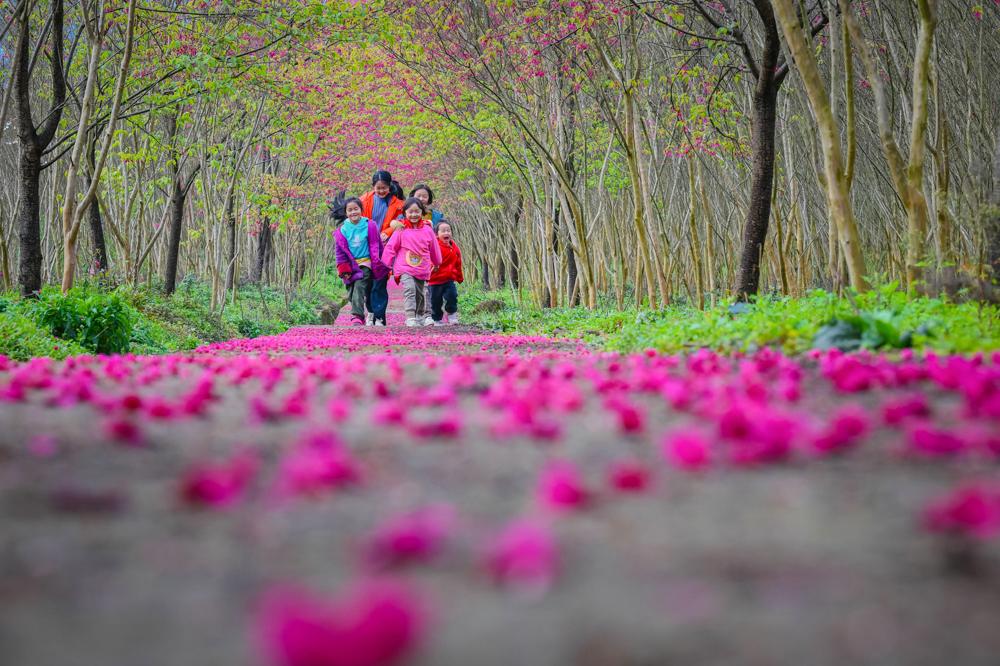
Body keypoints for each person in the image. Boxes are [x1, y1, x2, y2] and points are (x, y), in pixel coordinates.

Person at [381, 197, 442, 327]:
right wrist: (385, 264)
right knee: (410, 289)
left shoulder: (427, 230)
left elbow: (434, 248)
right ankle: (410, 316)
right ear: (405, 213)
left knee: (421, 293)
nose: (414, 214)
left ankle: (420, 315)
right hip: (404, 268)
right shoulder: (401, 230)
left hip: (422, 267)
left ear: (422, 212)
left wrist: (437, 262)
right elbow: (391, 247)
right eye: (410, 212)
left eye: (417, 211)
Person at [334, 198, 389, 326]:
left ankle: (357, 316)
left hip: (366, 263)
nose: (353, 212)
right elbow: (339, 251)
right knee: (352, 291)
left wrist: (381, 262)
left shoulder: (369, 225)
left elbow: (377, 245)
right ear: (346, 212)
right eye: (350, 210)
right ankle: (364, 315)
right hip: (351, 265)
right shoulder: (342, 230)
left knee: (359, 285)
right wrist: (343, 269)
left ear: (361, 210)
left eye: (356, 209)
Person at [428, 223, 463, 326]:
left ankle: (452, 314)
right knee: (436, 301)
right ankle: (437, 319)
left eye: (448, 230)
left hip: (448, 279)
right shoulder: (434, 246)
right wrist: (431, 268)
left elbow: (458, 262)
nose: (446, 232)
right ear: (437, 234)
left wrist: (459, 276)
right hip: (434, 280)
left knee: (452, 296)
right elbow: (428, 259)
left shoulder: (453, 246)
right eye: (443, 231)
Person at [360, 170, 405, 243]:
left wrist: (388, 232)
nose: (381, 191)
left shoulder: (399, 205)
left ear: (389, 186)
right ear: (373, 186)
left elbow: (402, 221)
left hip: (388, 242)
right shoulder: (364, 201)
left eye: (384, 188)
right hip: (367, 242)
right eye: (378, 188)